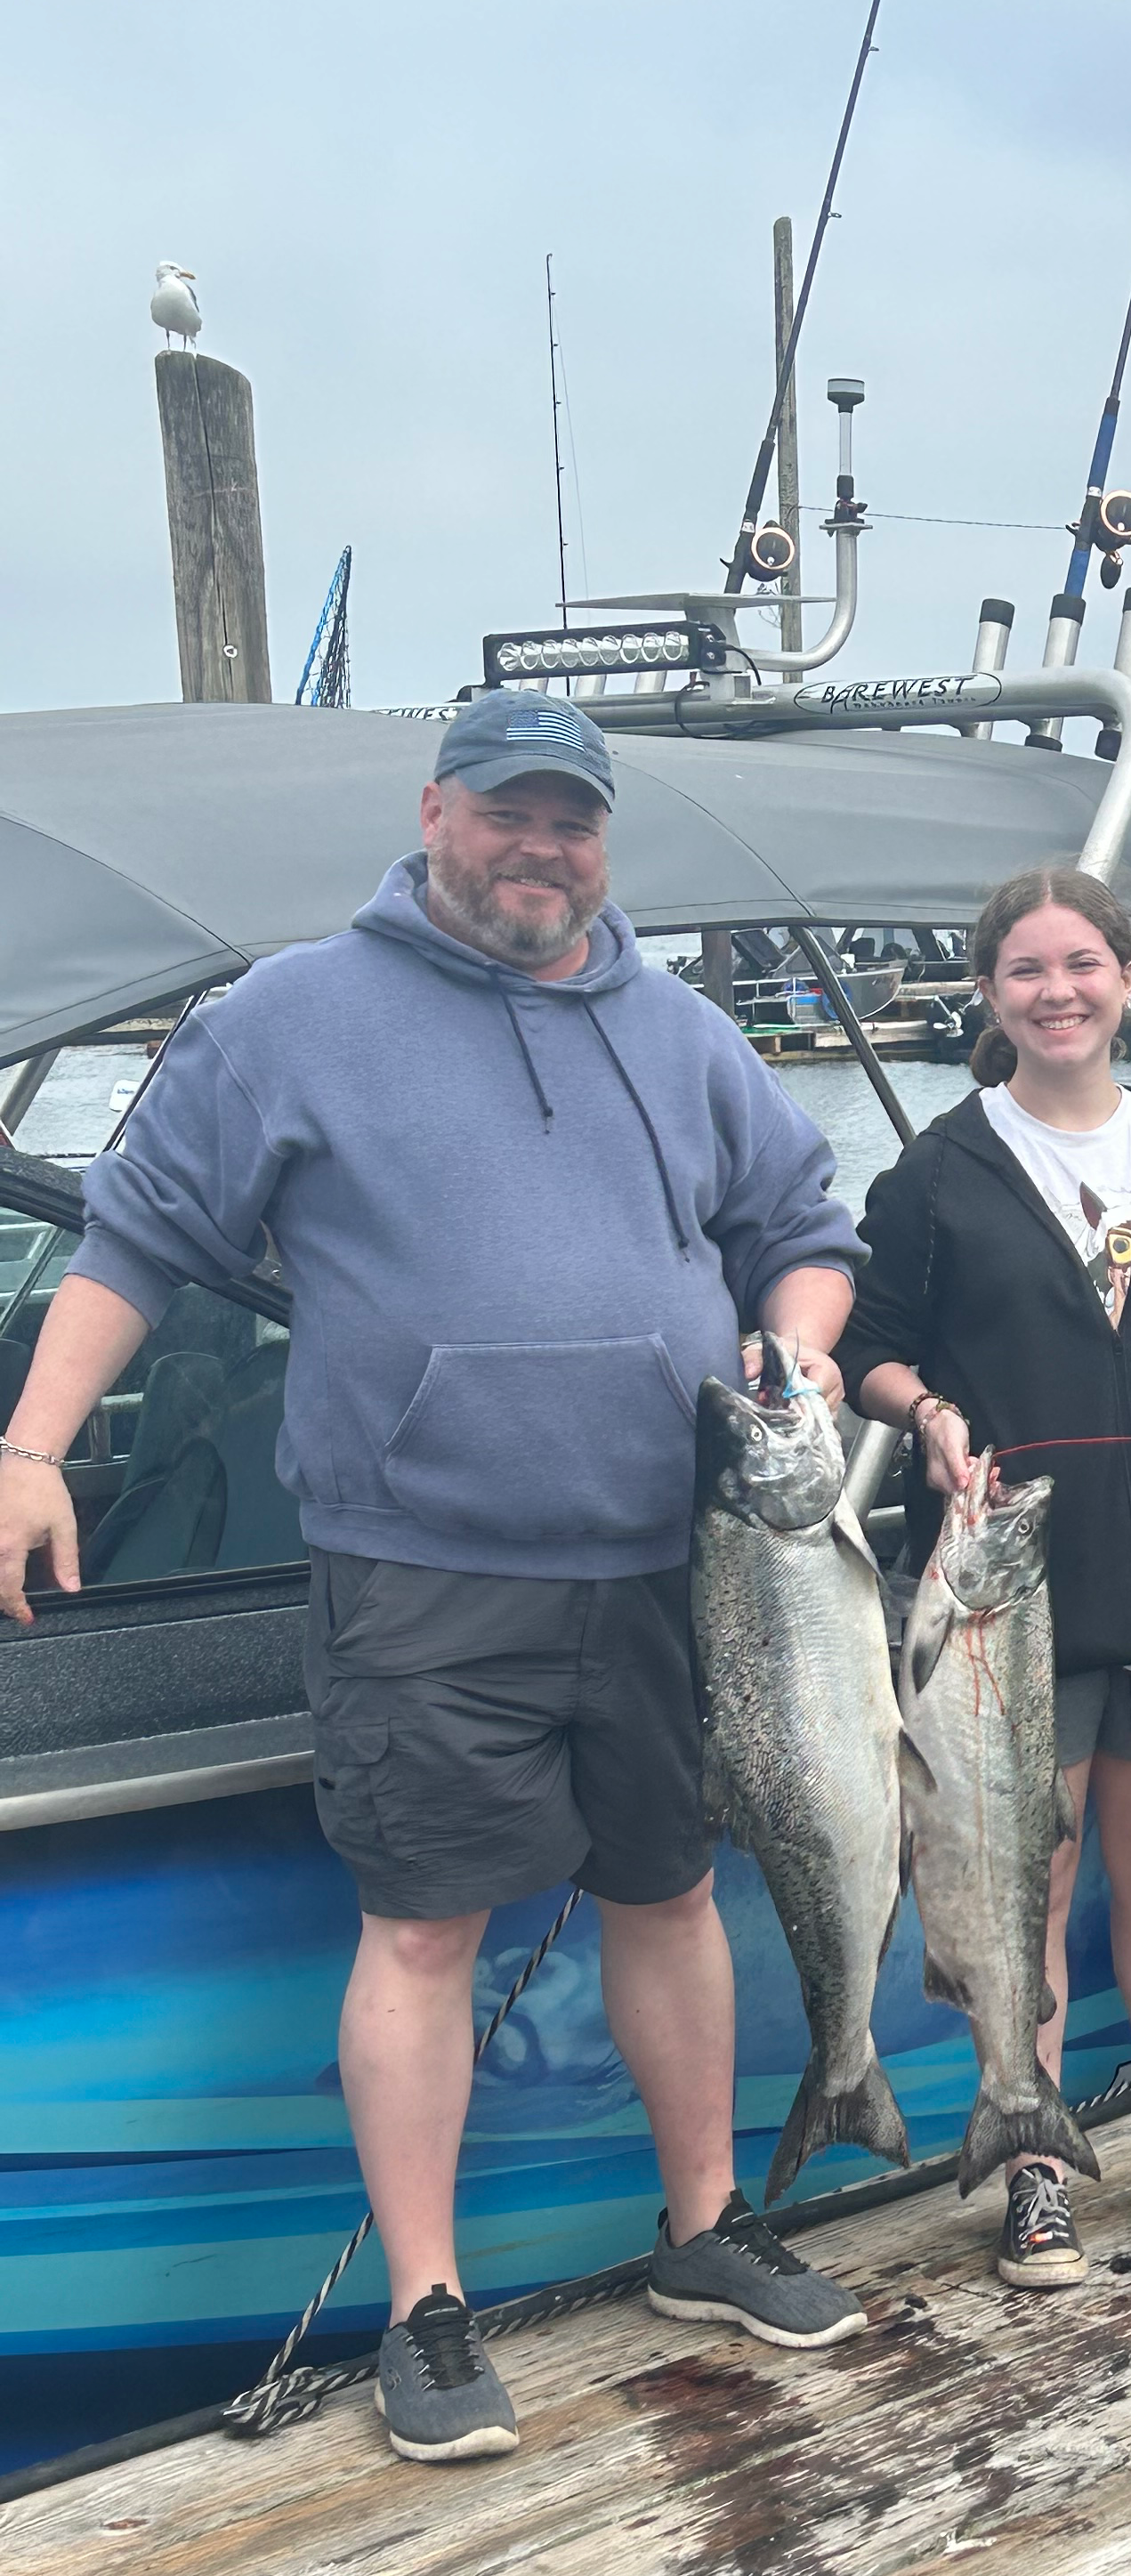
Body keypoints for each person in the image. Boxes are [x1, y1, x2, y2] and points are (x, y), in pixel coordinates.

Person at [0, 692, 873, 2462]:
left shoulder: (688, 1031)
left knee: (671, 1890)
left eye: (572, 820)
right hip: (419, 1572)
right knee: (418, 1928)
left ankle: (703, 2226)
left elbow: (806, 1230)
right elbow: (142, 1231)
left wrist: (802, 1345)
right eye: (507, 813)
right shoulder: (293, 1015)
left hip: (677, 1565)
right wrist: (29, 1445)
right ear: (434, 813)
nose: (538, 848)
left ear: (603, 841)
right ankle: (426, 2310)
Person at [841, 866, 1131, 2290]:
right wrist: (927, 1417)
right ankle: (1034, 2162)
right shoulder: (938, 1171)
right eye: (1028, 970)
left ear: (1129, 974)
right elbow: (872, 1345)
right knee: (1021, 1886)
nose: (1059, 992)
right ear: (991, 993)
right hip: (1004, 1595)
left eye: (1084, 965)